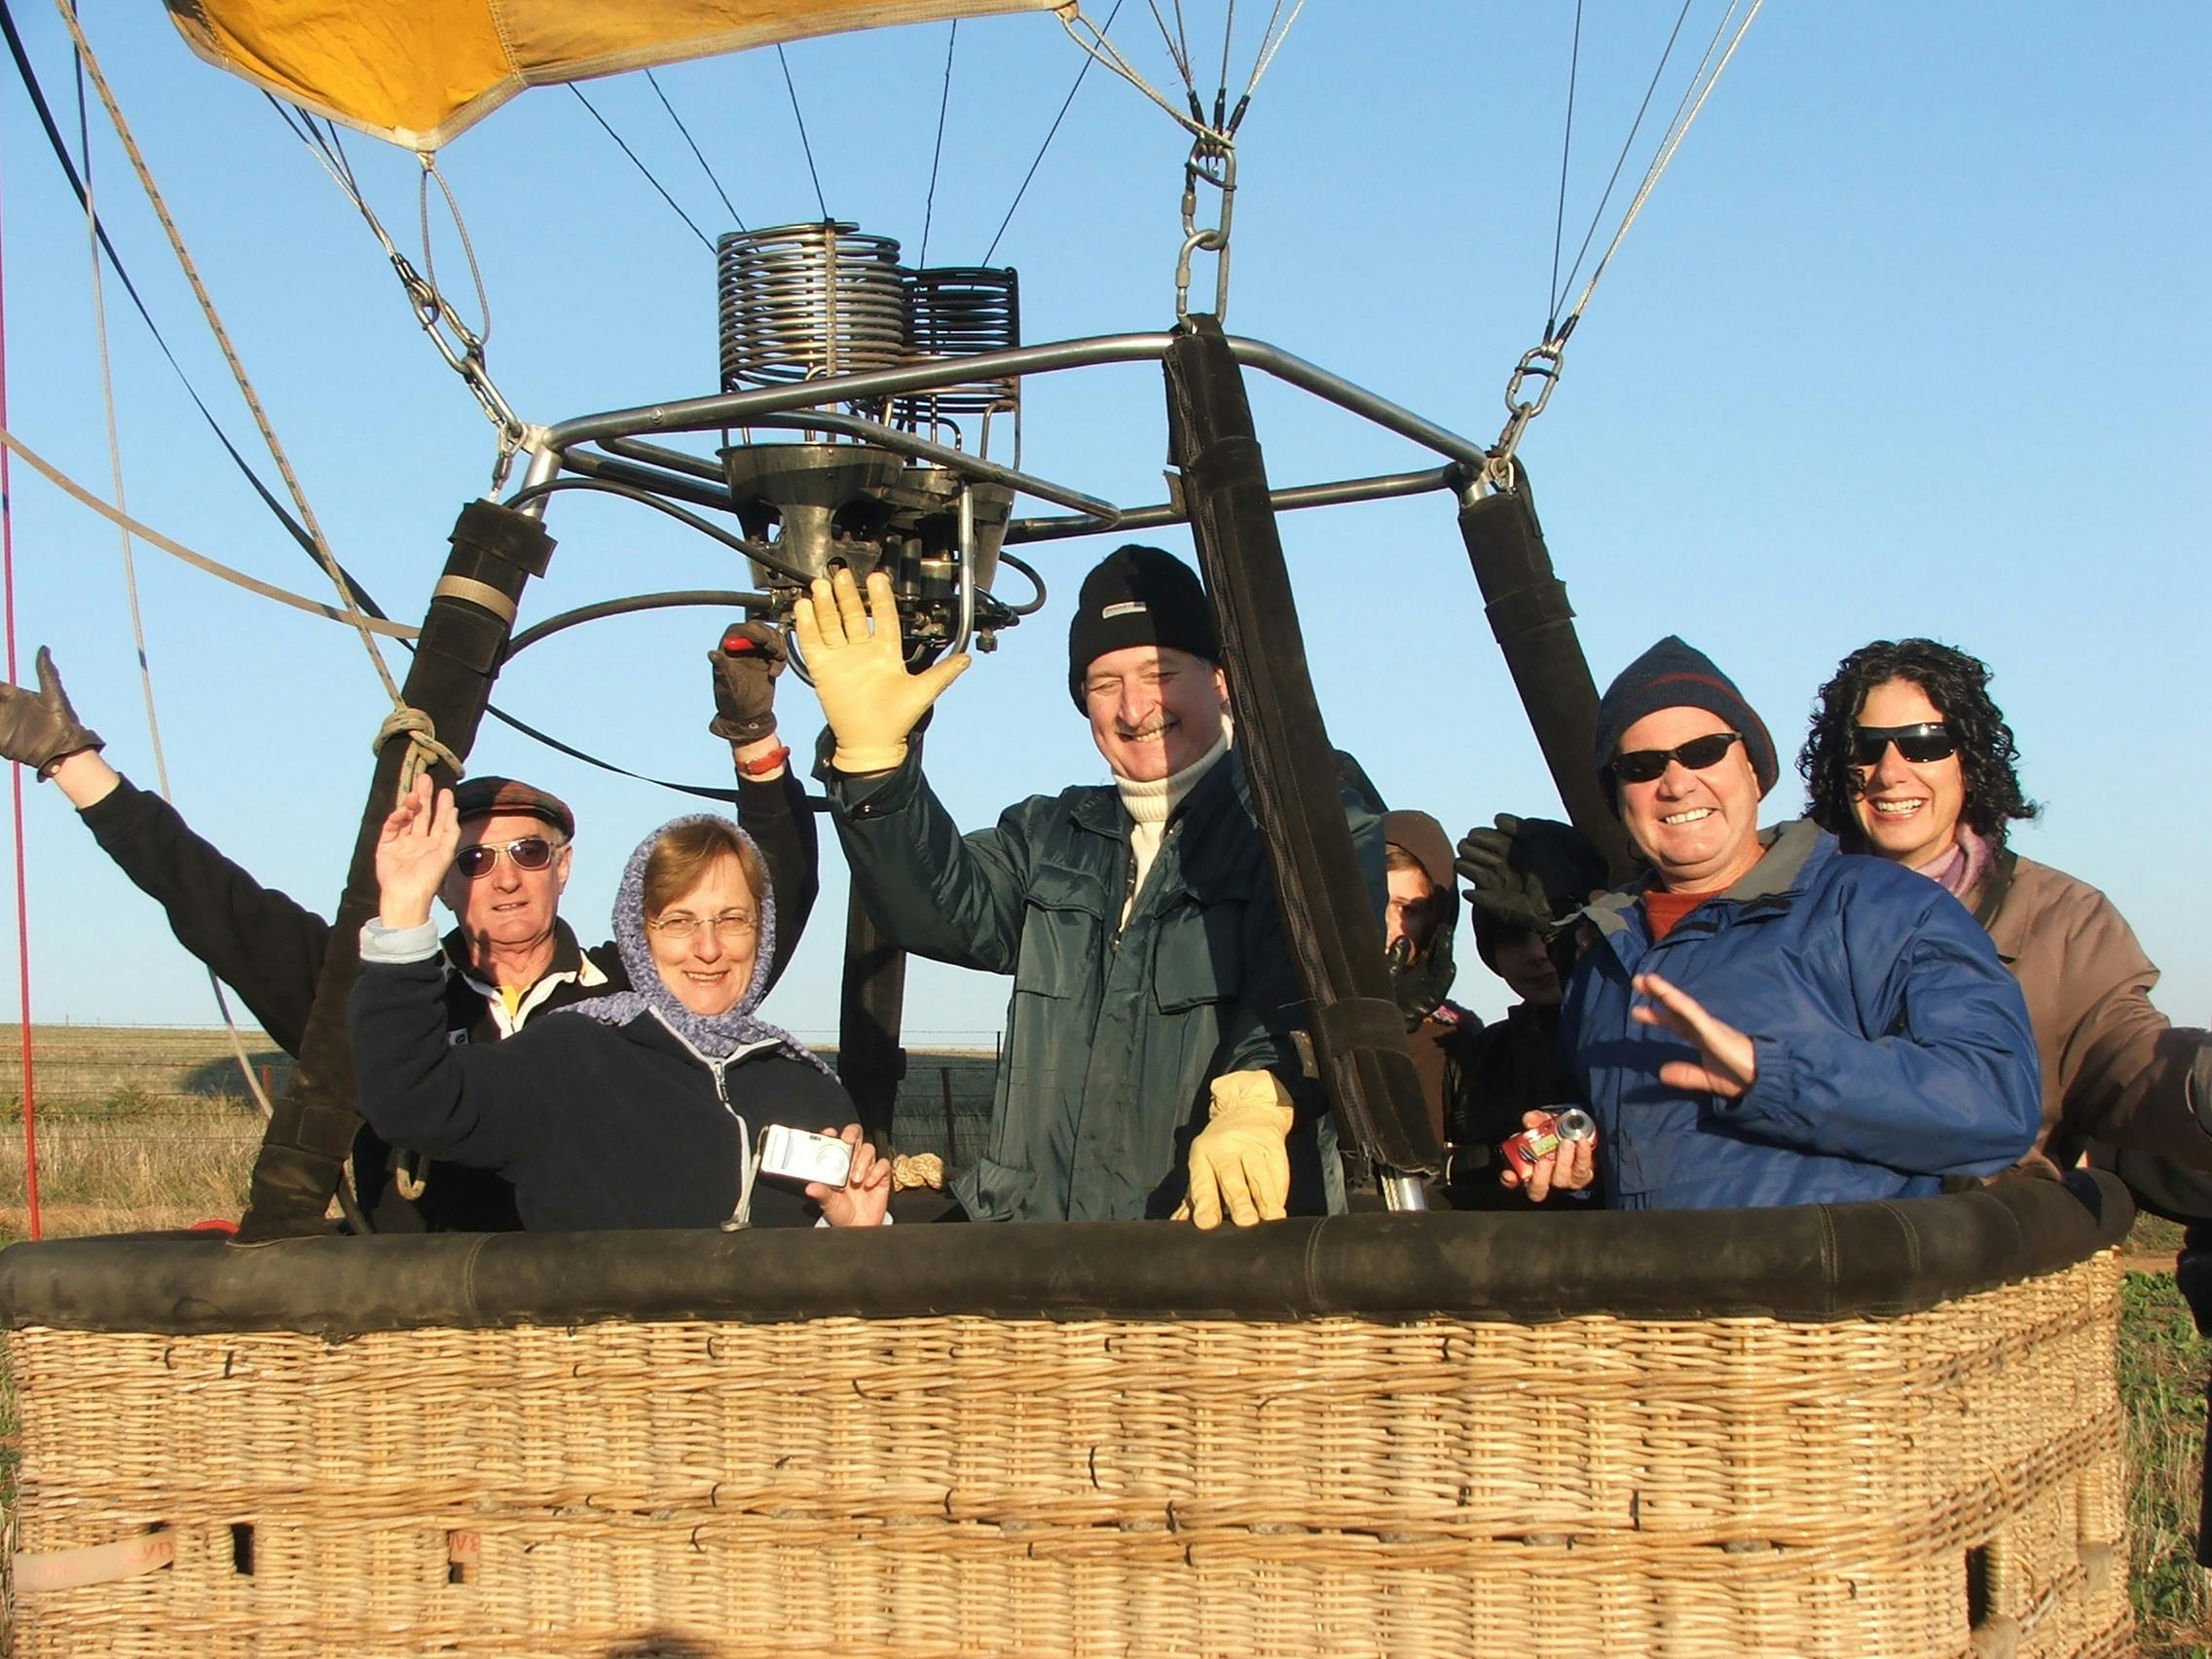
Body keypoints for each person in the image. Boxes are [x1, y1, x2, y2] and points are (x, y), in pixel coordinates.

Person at [0, 632, 818, 1229]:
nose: (503, 875)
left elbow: (757, 900)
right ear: (437, 869)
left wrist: (754, 742)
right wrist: (76, 767)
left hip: (592, 1321)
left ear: (564, 866)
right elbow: (216, 904)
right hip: (421, 1331)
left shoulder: (635, 993)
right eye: (472, 859)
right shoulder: (378, 994)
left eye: (529, 851)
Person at [799, 545, 1382, 1228]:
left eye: (1160, 673)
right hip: (1042, 1258)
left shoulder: (1297, 814)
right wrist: (873, 769)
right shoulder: (1051, 835)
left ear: (1221, 679)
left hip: (1209, 1252)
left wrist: (1259, 1095)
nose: (1135, 708)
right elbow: (933, 910)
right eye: (1105, 684)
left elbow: (1322, 967)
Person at [1519, 635, 2042, 1210]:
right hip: (1660, 1297)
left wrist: (1772, 1076)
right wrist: (1573, 1153)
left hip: (1831, 1295)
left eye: (1704, 751)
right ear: (1618, 797)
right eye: (1641, 767)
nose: (1676, 783)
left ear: (1753, 767)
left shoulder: (1882, 908)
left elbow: (1994, 1105)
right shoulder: (1604, 959)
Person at [350, 780, 885, 1231]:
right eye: (679, 922)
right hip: (603, 1354)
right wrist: (402, 910)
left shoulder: (807, 1087)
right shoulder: (572, 1055)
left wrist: (860, 1239)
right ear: (639, 936)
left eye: (731, 920)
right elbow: (412, 1100)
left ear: (761, 934)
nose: (708, 948)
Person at [1797, 638, 2212, 1178]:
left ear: (1969, 758)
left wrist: (2201, 1081)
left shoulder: (2063, 921)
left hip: (1977, 1246)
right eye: (1866, 746)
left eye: (1926, 743)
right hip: (1803, 1240)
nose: (1891, 772)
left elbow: (2126, 1059)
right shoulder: (1780, 902)